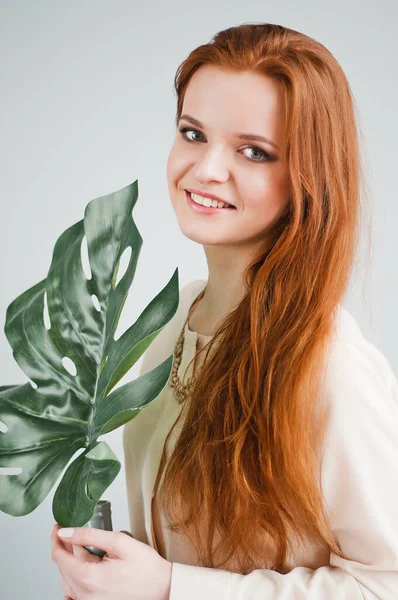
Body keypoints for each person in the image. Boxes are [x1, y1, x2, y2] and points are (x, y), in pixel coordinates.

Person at [51, 22, 398, 599]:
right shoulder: (173, 323)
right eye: (192, 133)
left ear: (307, 178)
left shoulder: (329, 364)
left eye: (254, 151)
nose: (207, 169)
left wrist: (169, 587)